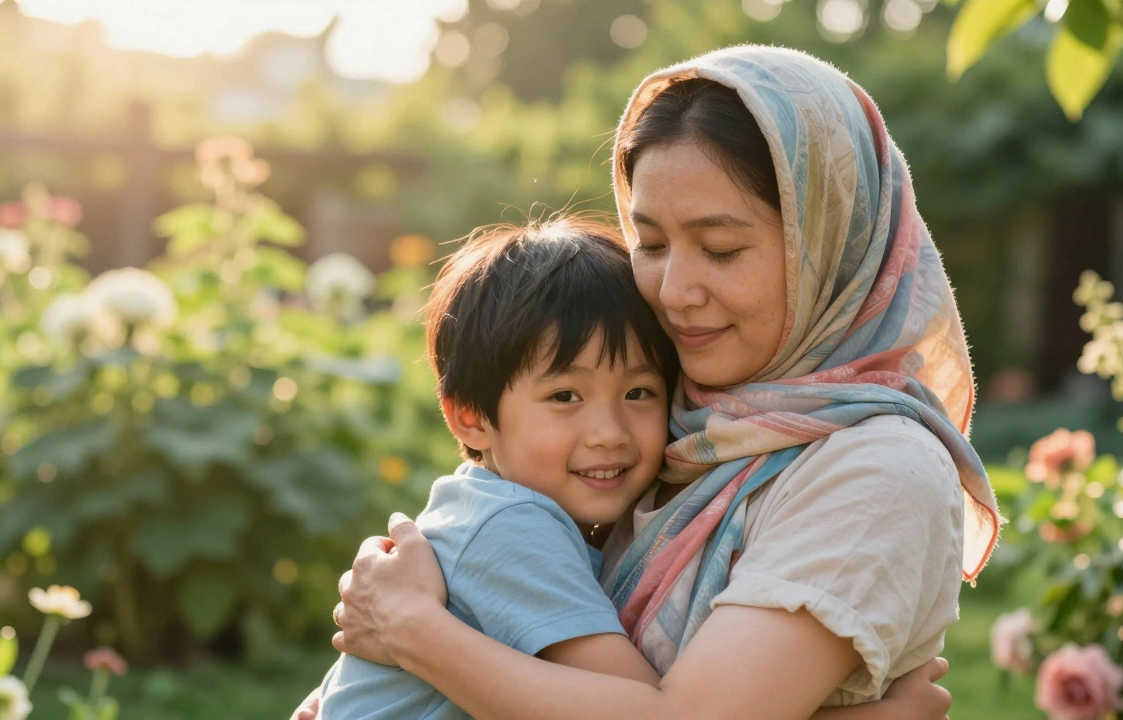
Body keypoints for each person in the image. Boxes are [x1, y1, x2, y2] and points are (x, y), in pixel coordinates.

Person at [316, 46, 1001, 720]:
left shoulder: (877, 467)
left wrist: (411, 630)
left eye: (721, 248)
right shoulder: (680, 428)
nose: (673, 292)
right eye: (650, 243)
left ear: (831, 243)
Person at [303, 218, 952, 720]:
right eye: (565, 397)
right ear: (470, 416)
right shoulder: (509, 526)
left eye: (639, 392)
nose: (609, 434)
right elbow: (648, 711)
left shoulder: (501, 508)